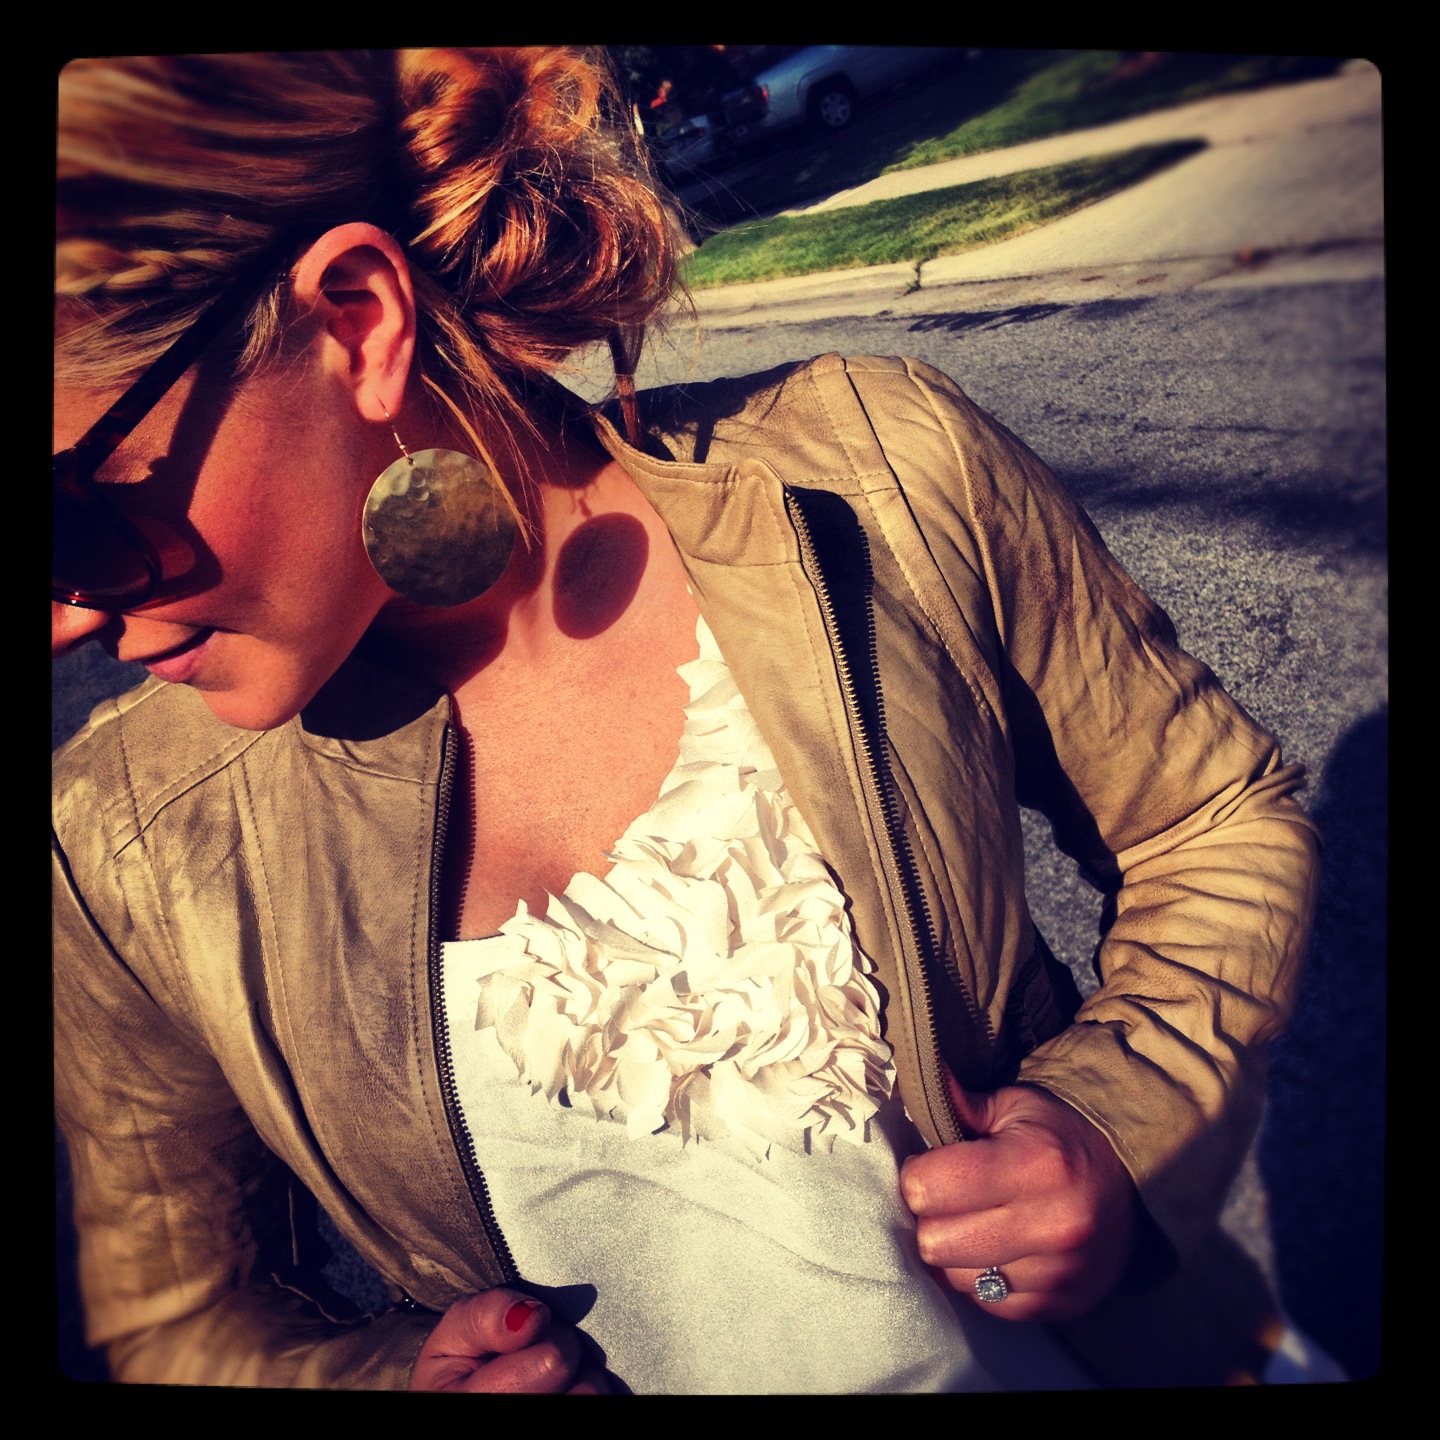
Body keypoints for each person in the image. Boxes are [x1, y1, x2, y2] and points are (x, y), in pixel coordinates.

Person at [53, 49, 1320, 1392]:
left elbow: (1212, 821)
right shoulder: (122, 842)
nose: (62, 623)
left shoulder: (883, 470)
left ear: (358, 323)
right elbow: (179, 1319)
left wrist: (1115, 1125)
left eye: (74, 515)